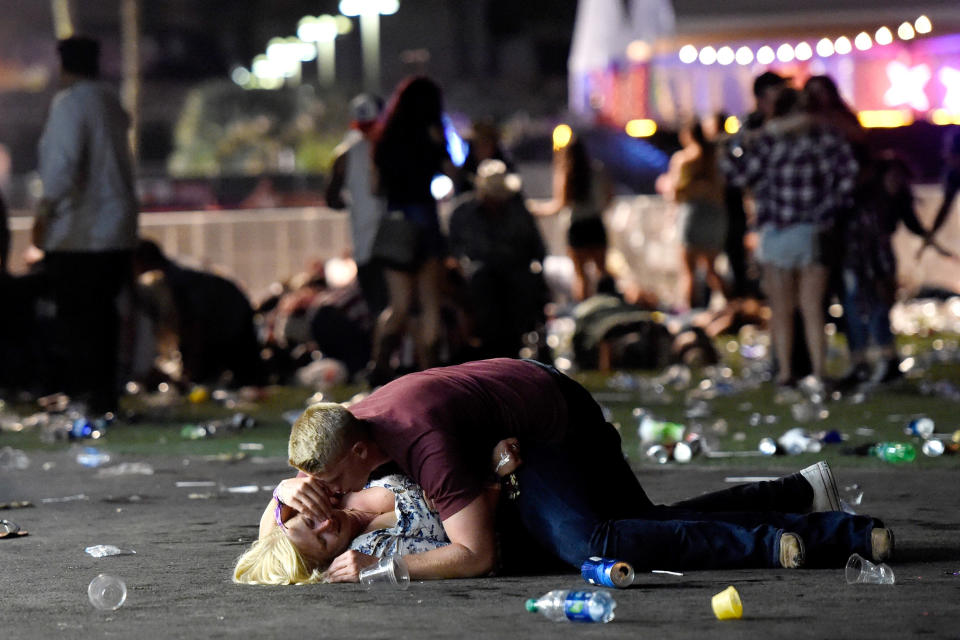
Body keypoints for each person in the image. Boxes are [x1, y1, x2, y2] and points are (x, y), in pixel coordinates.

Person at [276, 358, 893, 582]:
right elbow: (291, 514)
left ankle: (788, 541)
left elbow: (476, 554)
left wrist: (384, 570)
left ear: (359, 454)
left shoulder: (419, 443)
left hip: (553, 425)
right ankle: (799, 494)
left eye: (328, 485)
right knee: (639, 524)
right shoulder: (345, 430)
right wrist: (289, 489)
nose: (325, 501)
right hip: (529, 407)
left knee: (591, 542)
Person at [32, 36, 138, 415]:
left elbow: (62, 170)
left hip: (80, 233)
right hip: (116, 231)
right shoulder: (110, 103)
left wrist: (44, 214)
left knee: (77, 319)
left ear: (63, 67)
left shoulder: (70, 104)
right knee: (104, 317)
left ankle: (82, 397)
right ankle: (104, 396)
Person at [726, 88, 859, 388]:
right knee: (813, 308)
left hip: (776, 232)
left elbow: (738, 175)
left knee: (781, 309)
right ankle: (819, 372)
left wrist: (740, 139)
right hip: (812, 231)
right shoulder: (825, 137)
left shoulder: (769, 140)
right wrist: (827, 212)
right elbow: (848, 174)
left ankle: (786, 372)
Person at [368, 76, 457, 383]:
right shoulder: (432, 134)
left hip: (396, 222)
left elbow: (375, 186)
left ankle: (379, 364)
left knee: (400, 305)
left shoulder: (386, 138)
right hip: (426, 220)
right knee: (430, 302)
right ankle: (431, 374)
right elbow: (453, 176)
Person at [837, 153, 928, 388]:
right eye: (892, 176)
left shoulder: (894, 200)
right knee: (858, 311)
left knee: (877, 310)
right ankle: (863, 362)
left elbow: (910, 225)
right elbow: (866, 241)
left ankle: (885, 361)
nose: (896, 181)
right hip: (859, 263)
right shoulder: (868, 200)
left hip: (878, 261)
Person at [447, 159, 549, 358]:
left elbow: (537, 247)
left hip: (515, 272)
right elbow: (452, 249)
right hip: (478, 276)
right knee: (482, 283)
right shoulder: (463, 213)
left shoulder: (518, 211)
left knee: (519, 287)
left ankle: (513, 343)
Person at [133, 239, 265, 388]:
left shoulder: (175, 281)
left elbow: (194, 326)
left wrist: (189, 372)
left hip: (229, 319)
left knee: (240, 376)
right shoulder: (175, 273)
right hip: (231, 314)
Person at [324, 94, 389, 318]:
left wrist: (356, 205)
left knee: (379, 312)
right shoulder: (394, 148)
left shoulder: (345, 155)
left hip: (366, 248)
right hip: (394, 248)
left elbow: (332, 199)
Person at [530, 135, 613, 302]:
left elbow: (558, 205)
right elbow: (609, 197)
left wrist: (536, 209)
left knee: (581, 277)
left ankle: (585, 311)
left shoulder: (566, 174)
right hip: (595, 224)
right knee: (602, 272)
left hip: (577, 227)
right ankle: (607, 304)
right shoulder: (597, 170)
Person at [657, 121, 727, 310]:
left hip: (693, 215)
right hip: (715, 214)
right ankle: (732, 304)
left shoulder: (684, 159)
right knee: (712, 268)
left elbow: (676, 193)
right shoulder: (715, 158)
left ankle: (689, 314)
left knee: (688, 271)